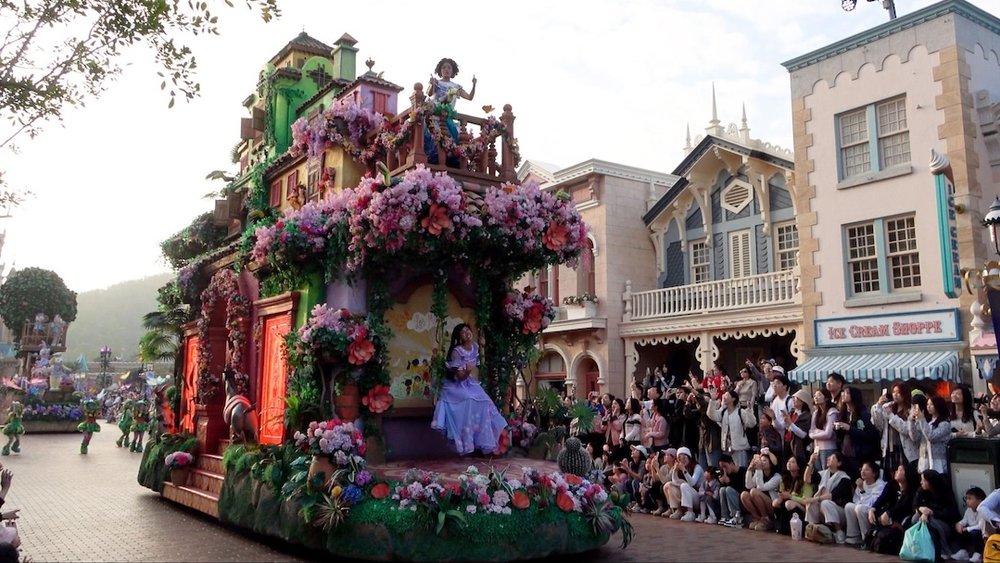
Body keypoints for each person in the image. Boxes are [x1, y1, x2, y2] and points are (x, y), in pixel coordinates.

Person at [431, 323, 508, 456]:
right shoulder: (457, 351)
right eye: (463, 331)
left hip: (469, 382)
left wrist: (469, 372)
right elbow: (460, 377)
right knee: (469, 398)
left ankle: (481, 434)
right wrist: (467, 371)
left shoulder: (475, 347)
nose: (467, 332)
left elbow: (475, 364)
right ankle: (465, 437)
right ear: (459, 336)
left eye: (468, 330)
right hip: (455, 384)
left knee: (485, 400)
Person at [424, 57, 476, 166]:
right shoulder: (437, 82)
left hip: (448, 116)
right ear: (440, 70)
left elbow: (469, 97)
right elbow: (429, 94)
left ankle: (450, 160)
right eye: (444, 67)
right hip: (436, 115)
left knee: (452, 137)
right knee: (433, 135)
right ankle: (433, 157)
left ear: (452, 71)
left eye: (449, 67)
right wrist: (431, 84)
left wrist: (474, 85)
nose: (446, 70)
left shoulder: (456, 87)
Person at [909, 469, 961, 560]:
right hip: (926, 520)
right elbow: (915, 505)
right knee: (915, 518)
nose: (921, 482)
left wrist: (931, 513)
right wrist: (921, 509)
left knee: (931, 520)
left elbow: (950, 513)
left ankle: (945, 550)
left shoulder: (945, 492)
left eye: (924, 480)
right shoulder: (921, 491)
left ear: (931, 482)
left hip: (945, 524)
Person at [803, 450, 853, 544]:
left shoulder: (844, 478)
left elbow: (833, 495)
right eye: (829, 457)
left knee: (825, 502)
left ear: (839, 463)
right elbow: (807, 479)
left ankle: (839, 531)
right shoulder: (823, 473)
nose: (828, 459)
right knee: (813, 503)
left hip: (840, 512)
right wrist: (811, 462)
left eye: (832, 458)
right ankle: (813, 529)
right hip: (824, 510)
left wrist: (815, 499)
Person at [872, 381, 919, 477]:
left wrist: (891, 416)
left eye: (898, 392)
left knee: (906, 476)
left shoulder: (911, 409)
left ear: (905, 393)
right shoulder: (888, 406)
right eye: (894, 392)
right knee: (889, 478)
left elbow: (906, 430)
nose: (895, 395)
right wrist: (879, 407)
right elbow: (878, 425)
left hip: (905, 449)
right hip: (889, 448)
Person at [835, 386, 879, 477]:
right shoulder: (843, 413)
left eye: (847, 393)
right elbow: (840, 436)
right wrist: (836, 428)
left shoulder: (863, 413)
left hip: (859, 455)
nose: (843, 394)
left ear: (854, 396)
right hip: (845, 454)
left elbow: (869, 434)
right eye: (843, 392)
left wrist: (849, 428)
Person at [709, 389, 756, 468]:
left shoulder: (740, 412)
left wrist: (750, 411)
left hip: (739, 448)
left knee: (740, 470)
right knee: (728, 471)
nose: (724, 397)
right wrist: (713, 400)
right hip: (727, 448)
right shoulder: (723, 412)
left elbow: (752, 424)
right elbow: (712, 415)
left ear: (733, 398)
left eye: (727, 395)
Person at [844, 460, 887, 545]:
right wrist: (861, 490)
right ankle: (854, 535)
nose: (862, 472)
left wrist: (862, 490)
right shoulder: (862, 483)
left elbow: (873, 503)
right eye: (862, 469)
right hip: (861, 508)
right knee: (849, 506)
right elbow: (855, 499)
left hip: (874, 510)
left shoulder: (880, 485)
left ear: (874, 473)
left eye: (866, 470)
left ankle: (866, 538)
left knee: (859, 508)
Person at [740, 448, 782, 531]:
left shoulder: (777, 477)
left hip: (773, 506)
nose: (761, 463)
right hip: (761, 504)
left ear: (770, 464)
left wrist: (758, 469)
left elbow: (760, 487)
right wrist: (749, 469)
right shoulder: (760, 473)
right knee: (744, 495)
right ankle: (757, 518)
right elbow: (748, 485)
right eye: (761, 460)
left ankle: (766, 519)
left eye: (764, 461)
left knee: (754, 492)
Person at [910, 394, 951, 473]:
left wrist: (922, 420)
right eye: (927, 404)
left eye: (931, 404)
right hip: (924, 461)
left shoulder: (945, 424)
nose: (928, 407)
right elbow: (915, 437)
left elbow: (931, 436)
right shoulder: (927, 422)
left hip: (937, 461)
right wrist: (911, 421)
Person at [773, 456, 814, 535]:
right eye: (788, 461)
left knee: (789, 504)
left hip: (804, 508)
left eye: (792, 462)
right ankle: (781, 527)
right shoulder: (784, 479)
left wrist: (791, 497)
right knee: (775, 502)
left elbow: (806, 500)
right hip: (787, 503)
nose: (789, 463)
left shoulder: (805, 480)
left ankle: (799, 528)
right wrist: (781, 497)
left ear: (799, 466)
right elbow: (782, 492)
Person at [665, 446, 704, 521]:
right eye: (680, 458)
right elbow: (675, 482)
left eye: (685, 457)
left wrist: (684, 470)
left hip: (700, 498)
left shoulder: (697, 467)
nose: (683, 460)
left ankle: (690, 512)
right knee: (669, 485)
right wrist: (675, 471)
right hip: (689, 495)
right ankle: (678, 510)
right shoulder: (680, 467)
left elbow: (692, 483)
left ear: (689, 457)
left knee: (684, 485)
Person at [951, 486, 987, 562]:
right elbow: (964, 520)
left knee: (975, 533)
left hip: (982, 533)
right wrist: (959, 524)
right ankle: (963, 551)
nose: (967, 501)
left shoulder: (984, 510)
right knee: (958, 529)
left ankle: (978, 554)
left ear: (979, 500)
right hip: (970, 531)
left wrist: (967, 529)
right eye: (966, 498)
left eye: (970, 498)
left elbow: (981, 526)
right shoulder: (969, 510)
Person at [809, 388, 839, 471]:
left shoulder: (832, 412)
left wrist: (815, 434)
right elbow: (810, 431)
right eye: (815, 396)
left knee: (826, 471)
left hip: (828, 447)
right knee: (818, 472)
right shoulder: (816, 413)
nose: (816, 397)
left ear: (826, 398)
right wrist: (817, 433)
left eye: (819, 395)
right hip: (817, 448)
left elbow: (828, 434)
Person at [719, 453, 750, 528]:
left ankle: (737, 517)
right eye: (722, 468)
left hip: (743, 499)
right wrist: (722, 482)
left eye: (725, 466)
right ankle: (725, 516)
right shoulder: (728, 474)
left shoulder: (743, 471)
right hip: (734, 500)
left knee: (729, 489)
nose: (724, 470)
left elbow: (744, 488)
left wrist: (729, 482)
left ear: (731, 463)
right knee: (722, 489)